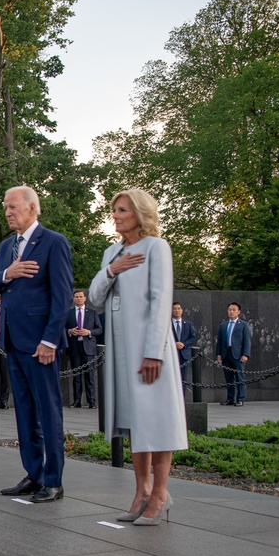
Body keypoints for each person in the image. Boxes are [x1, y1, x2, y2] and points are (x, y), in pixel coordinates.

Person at [88, 189, 188, 526]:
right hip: (121, 350)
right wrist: (112, 270)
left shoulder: (156, 248)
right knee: (134, 421)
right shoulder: (111, 253)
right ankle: (141, 490)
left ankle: (160, 492)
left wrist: (153, 352)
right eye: (114, 210)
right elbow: (95, 300)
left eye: (122, 210)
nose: (115, 215)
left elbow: (161, 300)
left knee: (156, 420)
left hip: (150, 350)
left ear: (140, 214)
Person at [0, 186, 73, 503]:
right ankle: (34, 474)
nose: (7, 212)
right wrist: (9, 272)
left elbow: (63, 299)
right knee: (24, 413)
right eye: (5, 207)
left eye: (12, 207)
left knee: (48, 412)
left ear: (32, 207)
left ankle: (54, 480)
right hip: (13, 342)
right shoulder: (7, 247)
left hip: (41, 345)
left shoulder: (54, 243)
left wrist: (50, 340)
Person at [64, 289, 101, 409]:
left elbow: (99, 329)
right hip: (74, 346)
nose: (78, 299)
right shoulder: (68, 313)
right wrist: (69, 331)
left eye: (80, 297)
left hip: (88, 347)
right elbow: (61, 329)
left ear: (85, 298)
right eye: (76, 297)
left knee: (89, 376)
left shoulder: (92, 313)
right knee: (76, 375)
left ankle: (91, 401)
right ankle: (77, 400)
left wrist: (89, 332)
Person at [216, 302, 251, 406]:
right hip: (226, 354)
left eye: (234, 310)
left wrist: (245, 354)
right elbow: (220, 342)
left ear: (238, 312)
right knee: (229, 378)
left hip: (238, 355)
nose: (231, 312)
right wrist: (218, 355)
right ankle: (230, 399)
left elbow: (247, 341)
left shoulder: (244, 325)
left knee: (240, 377)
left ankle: (240, 399)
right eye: (230, 310)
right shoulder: (223, 325)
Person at [171, 302, 197, 387]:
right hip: (171, 353)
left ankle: (182, 399)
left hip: (184, 354)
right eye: (174, 309)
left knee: (183, 379)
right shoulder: (167, 324)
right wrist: (174, 343)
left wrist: (184, 344)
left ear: (182, 310)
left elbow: (193, 337)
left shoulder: (188, 324)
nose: (177, 311)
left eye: (179, 308)